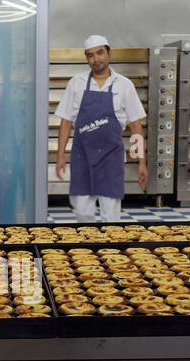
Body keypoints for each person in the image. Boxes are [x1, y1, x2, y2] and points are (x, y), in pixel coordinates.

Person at [54, 35, 147, 223]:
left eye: (100, 53)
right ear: (86, 58)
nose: (96, 59)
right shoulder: (76, 83)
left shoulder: (124, 85)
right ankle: (87, 250)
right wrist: (60, 155)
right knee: (82, 212)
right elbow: (65, 122)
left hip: (111, 158)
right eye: (90, 55)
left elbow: (136, 125)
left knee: (110, 217)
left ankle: (109, 250)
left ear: (109, 53)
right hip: (82, 157)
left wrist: (142, 162)